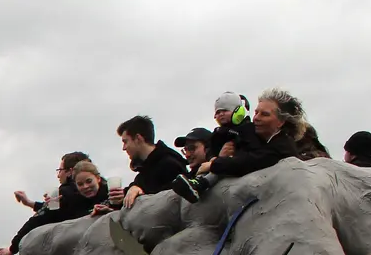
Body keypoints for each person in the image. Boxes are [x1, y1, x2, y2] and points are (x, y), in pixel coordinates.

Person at [176, 88, 306, 203]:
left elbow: (251, 161)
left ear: (281, 122)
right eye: (256, 112)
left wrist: (214, 164)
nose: (256, 118)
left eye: (264, 114)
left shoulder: (282, 147)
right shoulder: (259, 138)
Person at [0, 161, 110, 255]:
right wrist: (13, 248)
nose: (86, 187)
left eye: (89, 181)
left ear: (98, 178)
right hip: (81, 250)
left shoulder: (110, 192)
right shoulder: (65, 197)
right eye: (80, 184)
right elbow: (39, 218)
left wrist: (112, 208)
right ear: (75, 184)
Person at [115, 115, 189, 209]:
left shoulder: (170, 165)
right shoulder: (145, 170)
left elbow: (171, 203)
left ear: (138, 138)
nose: (124, 148)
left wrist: (141, 192)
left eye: (125, 142)